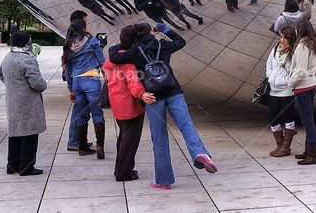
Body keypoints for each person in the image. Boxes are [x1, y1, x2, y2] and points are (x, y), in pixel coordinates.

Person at [108, 22, 218, 188]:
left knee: (159, 138)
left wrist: (117, 45)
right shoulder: (163, 45)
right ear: (151, 32)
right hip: (174, 90)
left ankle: (164, 180)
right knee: (186, 125)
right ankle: (200, 153)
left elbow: (114, 57)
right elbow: (181, 41)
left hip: (153, 97)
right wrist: (165, 29)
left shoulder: (134, 52)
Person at [103, 25, 156, 181]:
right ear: (135, 41)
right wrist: (142, 94)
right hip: (130, 106)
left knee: (123, 138)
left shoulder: (109, 61)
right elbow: (133, 83)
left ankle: (119, 169)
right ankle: (124, 173)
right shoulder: (128, 62)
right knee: (129, 142)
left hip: (116, 103)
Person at [0, 32, 48, 176]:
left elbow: (2, 76)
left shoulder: (8, 57)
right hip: (28, 102)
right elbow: (37, 83)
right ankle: (26, 167)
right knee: (29, 134)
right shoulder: (27, 59)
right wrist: (44, 84)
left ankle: (12, 165)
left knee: (14, 133)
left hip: (12, 100)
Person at [64, 18, 107, 158]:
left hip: (77, 82)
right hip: (91, 79)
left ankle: (82, 147)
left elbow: (68, 69)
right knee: (97, 113)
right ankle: (100, 145)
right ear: (83, 28)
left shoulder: (68, 45)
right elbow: (101, 60)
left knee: (82, 114)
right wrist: (107, 76)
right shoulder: (92, 41)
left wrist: (70, 88)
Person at [290, 19, 316, 166]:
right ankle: (308, 150)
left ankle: (313, 154)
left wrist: (289, 82)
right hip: (311, 85)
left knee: (308, 121)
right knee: (307, 120)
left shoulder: (303, 45)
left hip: (303, 87)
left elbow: (301, 71)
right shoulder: (313, 42)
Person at [265, 26, 299, 158]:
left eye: (285, 38)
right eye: (281, 37)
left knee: (288, 118)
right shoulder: (275, 50)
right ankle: (279, 145)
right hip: (273, 90)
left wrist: (286, 82)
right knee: (273, 118)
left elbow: (295, 71)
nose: (282, 40)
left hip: (286, 90)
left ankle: (286, 147)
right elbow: (268, 65)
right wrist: (270, 77)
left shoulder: (293, 53)